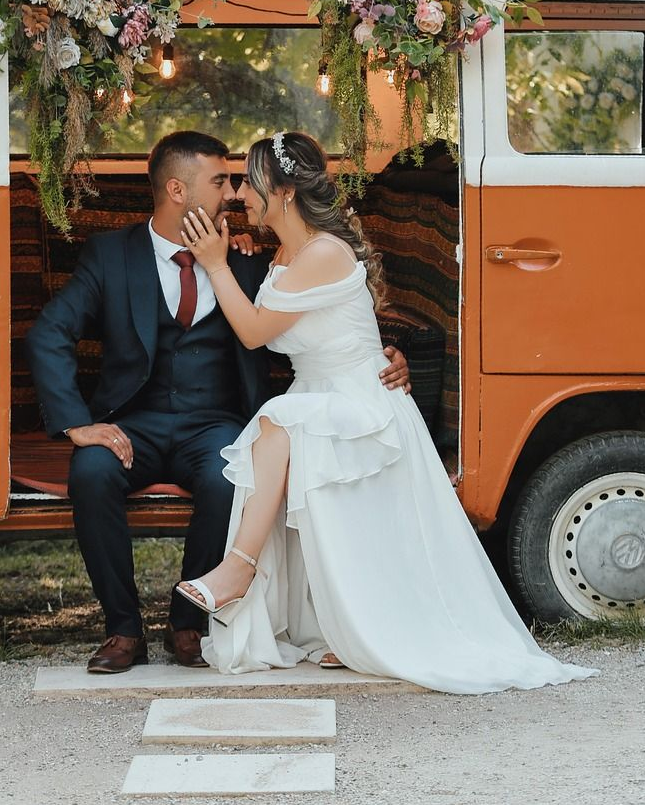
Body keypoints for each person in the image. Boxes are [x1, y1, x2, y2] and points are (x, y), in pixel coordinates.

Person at [176, 131, 598, 694]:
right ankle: (318, 614)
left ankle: (238, 570)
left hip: (358, 400)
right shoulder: (284, 251)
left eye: (248, 184)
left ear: (280, 191)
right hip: (324, 391)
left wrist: (214, 265)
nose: (238, 196)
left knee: (278, 422)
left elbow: (254, 332)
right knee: (279, 423)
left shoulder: (324, 252)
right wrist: (231, 257)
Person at [25, 130, 410, 674]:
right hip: (132, 423)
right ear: (178, 190)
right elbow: (49, 334)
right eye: (220, 181)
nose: (233, 193)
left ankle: (189, 622)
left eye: (239, 182)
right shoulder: (111, 254)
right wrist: (75, 426)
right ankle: (122, 629)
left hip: (214, 423)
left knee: (230, 475)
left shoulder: (251, 258)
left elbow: (330, 316)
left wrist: (384, 357)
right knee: (90, 471)